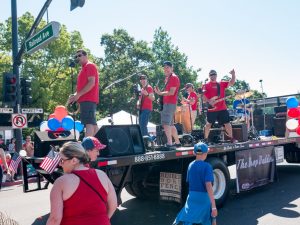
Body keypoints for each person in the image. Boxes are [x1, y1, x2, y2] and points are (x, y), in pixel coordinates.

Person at [46, 142, 117, 225]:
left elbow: (55, 219)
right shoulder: (102, 174)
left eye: (62, 160)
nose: (60, 164)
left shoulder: (61, 182)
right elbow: (113, 205)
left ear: (74, 160)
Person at [173, 142, 217, 225]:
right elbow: (208, 186)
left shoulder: (190, 165)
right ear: (205, 153)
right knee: (208, 219)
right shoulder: (207, 166)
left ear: (194, 153)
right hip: (203, 198)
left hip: (192, 197)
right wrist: (214, 206)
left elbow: (189, 182)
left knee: (188, 219)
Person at [68, 49, 99, 137]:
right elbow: (83, 86)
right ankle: (99, 146)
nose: (77, 58)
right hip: (86, 100)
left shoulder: (89, 66)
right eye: (76, 56)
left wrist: (78, 95)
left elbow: (91, 83)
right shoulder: (84, 68)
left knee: (89, 123)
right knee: (93, 124)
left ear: (86, 56)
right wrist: (75, 96)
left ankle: (87, 147)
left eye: (79, 55)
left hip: (88, 99)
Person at [202, 69, 236, 143]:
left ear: (216, 75)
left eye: (214, 74)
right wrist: (209, 101)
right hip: (211, 109)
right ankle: (205, 139)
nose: (212, 76)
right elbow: (203, 97)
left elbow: (232, 83)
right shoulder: (205, 85)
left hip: (222, 108)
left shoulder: (221, 83)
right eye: (211, 75)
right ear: (209, 76)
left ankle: (231, 138)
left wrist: (233, 74)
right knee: (208, 124)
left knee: (227, 123)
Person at [154, 61, 181, 149]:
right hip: (169, 103)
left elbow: (171, 92)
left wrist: (160, 93)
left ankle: (169, 144)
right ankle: (177, 142)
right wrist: (161, 98)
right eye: (164, 67)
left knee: (166, 124)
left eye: (168, 67)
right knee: (171, 125)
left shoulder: (173, 77)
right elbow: (168, 93)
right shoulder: (169, 78)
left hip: (170, 104)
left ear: (172, 68)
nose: (166, 69)